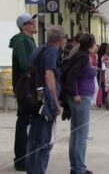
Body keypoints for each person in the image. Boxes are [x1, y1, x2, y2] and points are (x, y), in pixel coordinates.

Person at [25, 25, 65, 174]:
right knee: (44, 141)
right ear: (61, 39)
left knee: (34, 139)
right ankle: (38, 171)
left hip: (35, 99)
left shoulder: (39, 49)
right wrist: (56, 101)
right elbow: (49, 76)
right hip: (45, 101)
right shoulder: (52, 51)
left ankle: (32, 170)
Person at [63, 33, 96, 174]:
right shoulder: (83, 57)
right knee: (81, 134)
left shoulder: (79, 54)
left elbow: (74, 73)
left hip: (80, 97)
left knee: (76, 133)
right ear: (91, 44)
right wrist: (75, 94)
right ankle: (79, 169)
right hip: (81, 98)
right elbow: (72, 76)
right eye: (95, 43)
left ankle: (75, 167)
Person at [9, 13, 37, 171]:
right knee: (24, 122)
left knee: (26, 121)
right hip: (25, 86)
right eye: (31, 22)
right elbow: (27, 65)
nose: (34, 24)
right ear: (23, 26)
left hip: (27, 85)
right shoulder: (21, 41)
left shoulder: (28, 40)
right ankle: (20, 159)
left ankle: (24, 156)